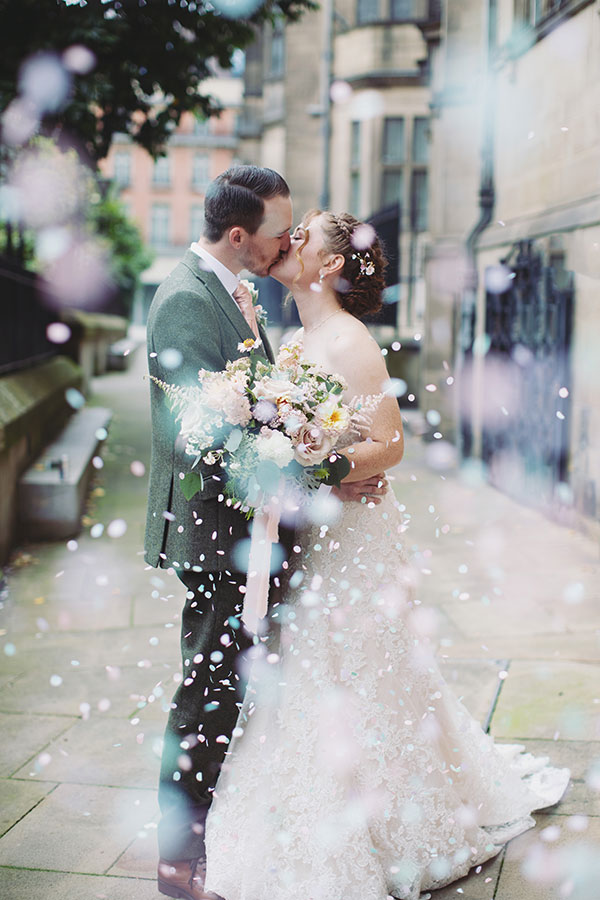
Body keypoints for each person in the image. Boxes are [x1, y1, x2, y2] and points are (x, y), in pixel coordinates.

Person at [202, 210, 571, 900]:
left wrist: (317, 469)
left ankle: (386, 825)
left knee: (362, 675)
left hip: (352, 542)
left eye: (303, 236)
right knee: (311, 675)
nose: (290, 241)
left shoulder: (349, 341)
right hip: (313, 537)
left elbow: (390, 445)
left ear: (332, 266)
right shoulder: (297, 337)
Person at [144, 170, 388, 900]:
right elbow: (196, 439)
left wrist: (319, 455)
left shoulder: (234, 291)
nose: (291, 241)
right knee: (208, 693)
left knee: (231, 689)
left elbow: (263, 410)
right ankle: (176, 862)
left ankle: (215, 836)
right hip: (220, 535)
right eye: (282, 229)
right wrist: (326, 468)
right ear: (241, 234)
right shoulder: (187, 300)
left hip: (252, 533)